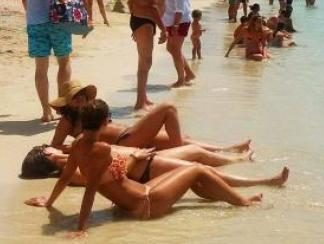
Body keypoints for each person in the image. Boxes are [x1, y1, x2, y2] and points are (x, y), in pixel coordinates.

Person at [25, 99, 263, 238]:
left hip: (143, 195)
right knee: (197, 170)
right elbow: (91, 189)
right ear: (104, 122)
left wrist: (49, 203)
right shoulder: (101, 150)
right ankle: (244, 202)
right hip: (147, 203)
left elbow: (65, 178)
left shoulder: (77, 145)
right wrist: (81, 227)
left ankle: (237, 195)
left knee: (194, 173)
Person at [49, 81, 252, 153]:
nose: (80, 99)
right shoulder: (68, 121)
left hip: (129, 134)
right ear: (68, 103)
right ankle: (182, 155)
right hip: (125, 141)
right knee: (168, 108)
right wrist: (76, 147)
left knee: (183, 138)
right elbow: (55, 146)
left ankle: (226, 150)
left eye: (81, 95)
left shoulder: (91, 110)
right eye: (75, 97)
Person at [19, 0, 87, 122]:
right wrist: (86, 18)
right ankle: (62, 109)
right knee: (64, 62)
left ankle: (45, 112)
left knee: (41, 68)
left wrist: (33, 14)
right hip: (60, 21)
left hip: (35, 22)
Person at [22, 143, 288, 188]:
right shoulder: (72, 174)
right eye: (47, 149)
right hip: (144, 168)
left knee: (196, 152)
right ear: (47, 157)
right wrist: (136, 157)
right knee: (203, 171)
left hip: (147, 157)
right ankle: (265, 182)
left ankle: (237, 159)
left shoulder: (74, 157)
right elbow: (114, 176)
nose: (50, 146)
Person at [127, 0, 168, 110]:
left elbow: (131, 1)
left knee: (144, 61)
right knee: (146, 61)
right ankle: (140, 102)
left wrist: (135, 23)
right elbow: (152, 6)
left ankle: (142, 98)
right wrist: (163, 29)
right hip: (145, 21)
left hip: (141, 21)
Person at [163, 0, 196, 87]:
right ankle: (189, 74)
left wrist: (176, 24)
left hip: (179, 20)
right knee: (172, 48)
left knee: (174, 49)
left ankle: (181, 80)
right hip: (173, 19)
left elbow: (180, 6)